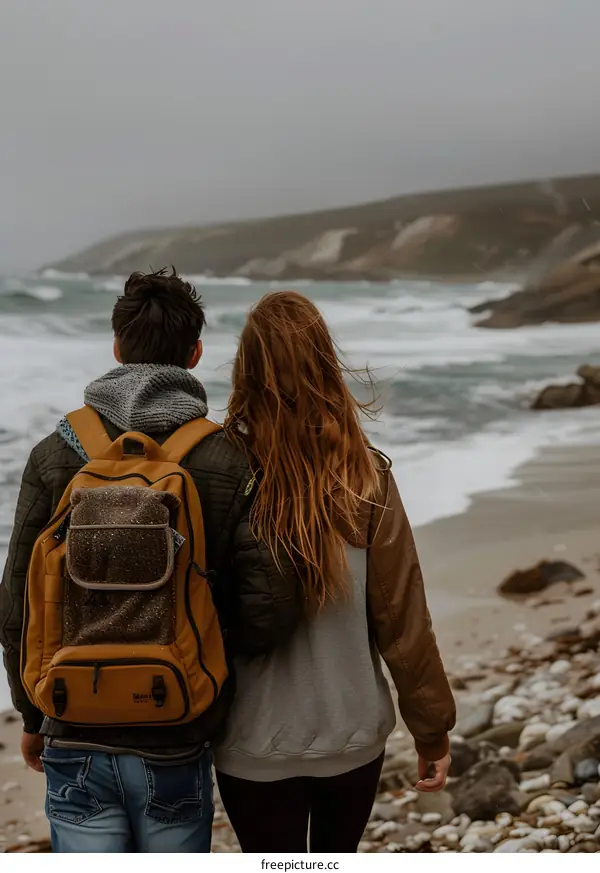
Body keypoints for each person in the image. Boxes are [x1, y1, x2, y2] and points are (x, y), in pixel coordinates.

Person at [0, 269, 301, 853]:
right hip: (177, 725)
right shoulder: (226, 456)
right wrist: (206, 666)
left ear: (116, 347)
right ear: (194, 353)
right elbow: (272, 602)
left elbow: (16, 598)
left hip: (72, 719)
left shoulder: (54, 453)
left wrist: (33, 712)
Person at [214, 290, 456, 853]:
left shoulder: (217, 471)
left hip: (251, 741)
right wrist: (432, 728)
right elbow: (402, 617)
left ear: (246, 371)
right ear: (323, 365)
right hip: (352, 734)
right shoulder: (365, 476)